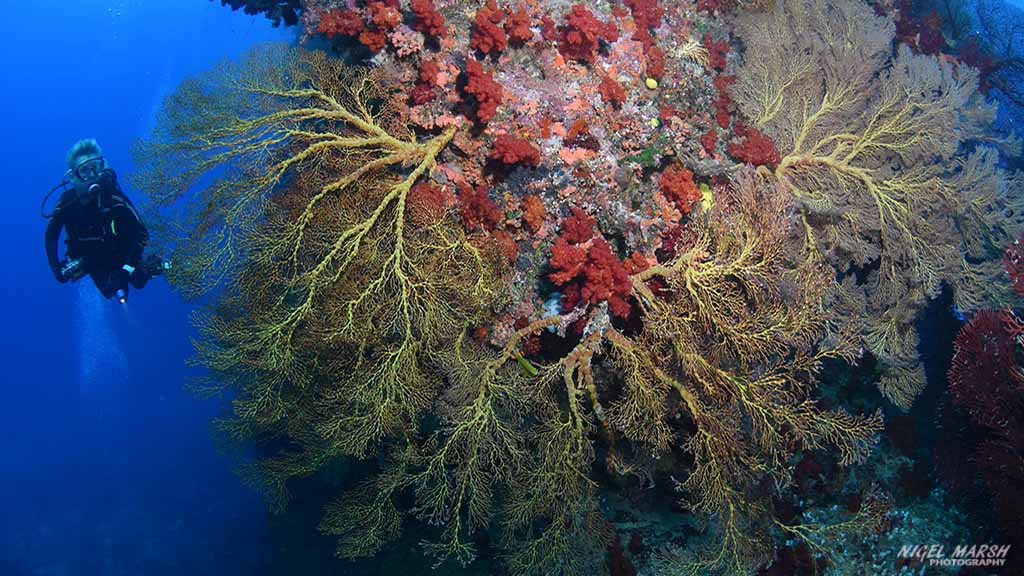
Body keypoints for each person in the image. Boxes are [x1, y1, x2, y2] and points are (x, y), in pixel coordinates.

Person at [45, 139, 167, 303]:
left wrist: (126, 270)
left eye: (95, 167)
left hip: (122, 250)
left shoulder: (112, 196)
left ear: (103, 168)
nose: (91, 176)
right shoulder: (66, 202)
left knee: (138, 281)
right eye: (84, 170)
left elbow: (141, 233)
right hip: (91, 258)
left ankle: (157, 266)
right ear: (73, 176)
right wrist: (55, 267)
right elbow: (51, 235)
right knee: (110, 292)